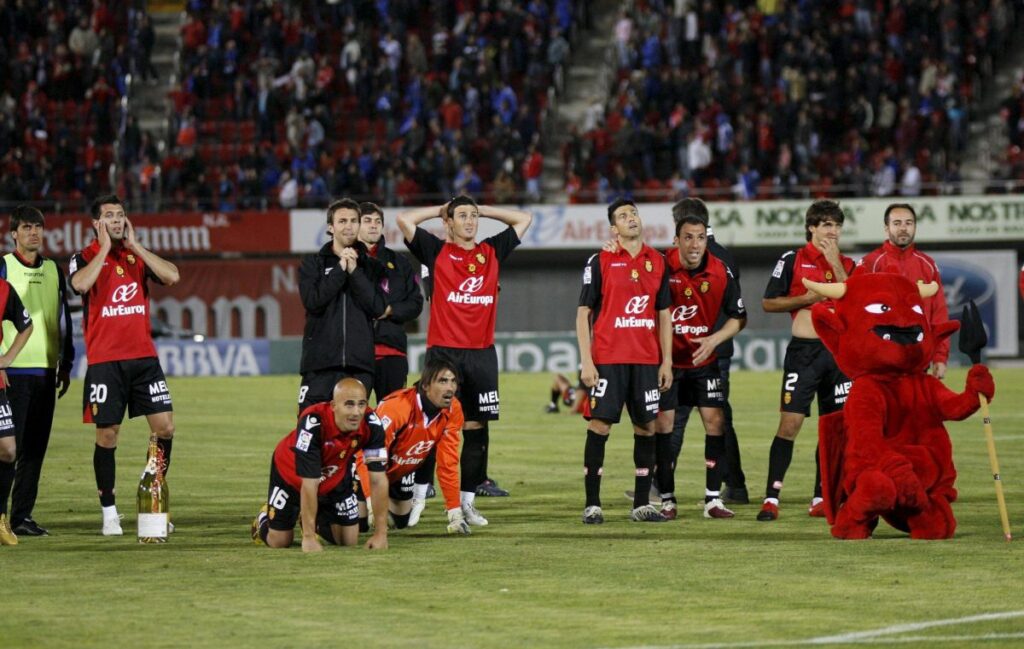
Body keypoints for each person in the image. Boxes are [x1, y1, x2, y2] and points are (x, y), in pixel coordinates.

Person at [396, 196, 532, 510]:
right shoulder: (436, 251)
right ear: (450, 222)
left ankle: (468, 502)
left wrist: (484, 209)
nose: (470, 221)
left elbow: (523, 218)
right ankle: (420, 491)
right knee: (431, 424)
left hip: (481, 354)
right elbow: (405, 221)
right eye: (463, 216)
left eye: (473, 216)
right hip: (444, 353)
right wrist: (440, 210)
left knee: (476, 426)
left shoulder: (492, 251)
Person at [69, 194, 181, 536]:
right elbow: (80, 285)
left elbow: (172, 276)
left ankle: (152, 496)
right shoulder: (83, 257)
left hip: (144, 360)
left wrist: (137, 246)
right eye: (109, 216)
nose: (116, 221)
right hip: (105, 362)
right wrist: (104, 248)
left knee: (165, 428)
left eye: (120, 215)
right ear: (96, 223)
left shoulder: (136, 255)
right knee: (107, 434)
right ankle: (109, 512)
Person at [576, 198, 673, 524]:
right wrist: (586, 361)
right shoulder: (599, 260)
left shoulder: (657, 261)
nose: (631, 217)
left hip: (646, 360)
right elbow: (583, 314)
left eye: (634, 212)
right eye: (623, 216)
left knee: (647, 427)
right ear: (613, 228)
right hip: (608, 359)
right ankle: (592, 504)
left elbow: (664, 315)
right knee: (599, 425)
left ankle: (642, 504)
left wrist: (667, 361)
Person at [758, 199, 855, 522]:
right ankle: (771, 497)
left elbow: (854, 298)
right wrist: (807, 298)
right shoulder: (792, 259)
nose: (833, 231)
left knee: (834, 428)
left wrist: (835, 263)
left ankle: (822, 496)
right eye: (826, 224)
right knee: (790, 423)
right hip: (804, 353)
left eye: (837, 225)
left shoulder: (848, 264)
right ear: (811, 227)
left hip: (839, 355)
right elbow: (769, 303)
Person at [654, 215, 746, 521]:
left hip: (703, 362)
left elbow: (739, 316)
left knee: (715, 423)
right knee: (664, 428)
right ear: (676, 240)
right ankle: (667, 500)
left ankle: (712, 499)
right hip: (667, 365)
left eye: (701, 238)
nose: (695, 245)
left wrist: (715, 339)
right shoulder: (659, 266)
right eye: (689, 238)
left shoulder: (720, 272)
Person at [0, 206, 74, 537]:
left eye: (38, 227)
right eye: (27, 227)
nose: (34, 232)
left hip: (45, 370)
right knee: (7, 448)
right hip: (11, 371)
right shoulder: (3, 266)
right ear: (13, 233)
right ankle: (1, 515)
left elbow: (63, 319)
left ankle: (21, 517)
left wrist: (66, 362)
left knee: (34, 448)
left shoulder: (55, 271)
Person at [251, 378, 389, 552]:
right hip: (291, 475)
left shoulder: (372, 424)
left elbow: (378, 480)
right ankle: (264, 518)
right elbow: (309, 483)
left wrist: (381, 534)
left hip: (335, 477)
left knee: (348, 540)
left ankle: (311, 518)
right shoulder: (313, 423)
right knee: (279, 541)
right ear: (333, 406)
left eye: (361, 404)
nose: (356, 412)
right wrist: (308, 538)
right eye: (349, 404)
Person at [358, 358, 476, 533]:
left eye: (453, 381)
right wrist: (371, 502)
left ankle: (385, 500)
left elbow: (448, 462)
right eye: (443, 381)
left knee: (400, 522)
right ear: (426, 385)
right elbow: (365, 455)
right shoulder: (398, 407)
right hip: (367, 470)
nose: (450, 388)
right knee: (357, 526)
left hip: (399, 473)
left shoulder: (453, 409)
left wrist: (454, 512)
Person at [297, 198, 386, 411]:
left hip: (359, 366)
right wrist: (340, 268)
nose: (349, 226)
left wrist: (354, 271)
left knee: (354, 434)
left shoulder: (372, 267)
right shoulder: (313, 263)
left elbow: (378, 307)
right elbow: (313, 302)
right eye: (342, 221)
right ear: (331, 227)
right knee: (311, 429)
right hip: (320, 365)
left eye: (354, 221)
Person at [854, 203, 950, 379]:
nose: (903, 228)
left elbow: (939, 312)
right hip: (880, 357)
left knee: (915, 406)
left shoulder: (927, 265)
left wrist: (940, 357)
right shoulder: (870, 263)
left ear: (915, 227)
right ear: (886, 228)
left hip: (918, 356)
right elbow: (856, 311)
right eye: (897, 223)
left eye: (908, 223)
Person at [356, 201, 423, 403]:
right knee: (354, 419)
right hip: (355, 353)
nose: (374, 225)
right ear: (356, 225)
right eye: (367, 221)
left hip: (393, 351)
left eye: (378, 221)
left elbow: (415, 302)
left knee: (393, 417)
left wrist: (390, 310)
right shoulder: (346, 259)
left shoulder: (400, 262)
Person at [0, 276, 34, 545]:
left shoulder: (3, 289)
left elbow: (26, 325)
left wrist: (7, 359)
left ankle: (1, 518)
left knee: (8, 449)